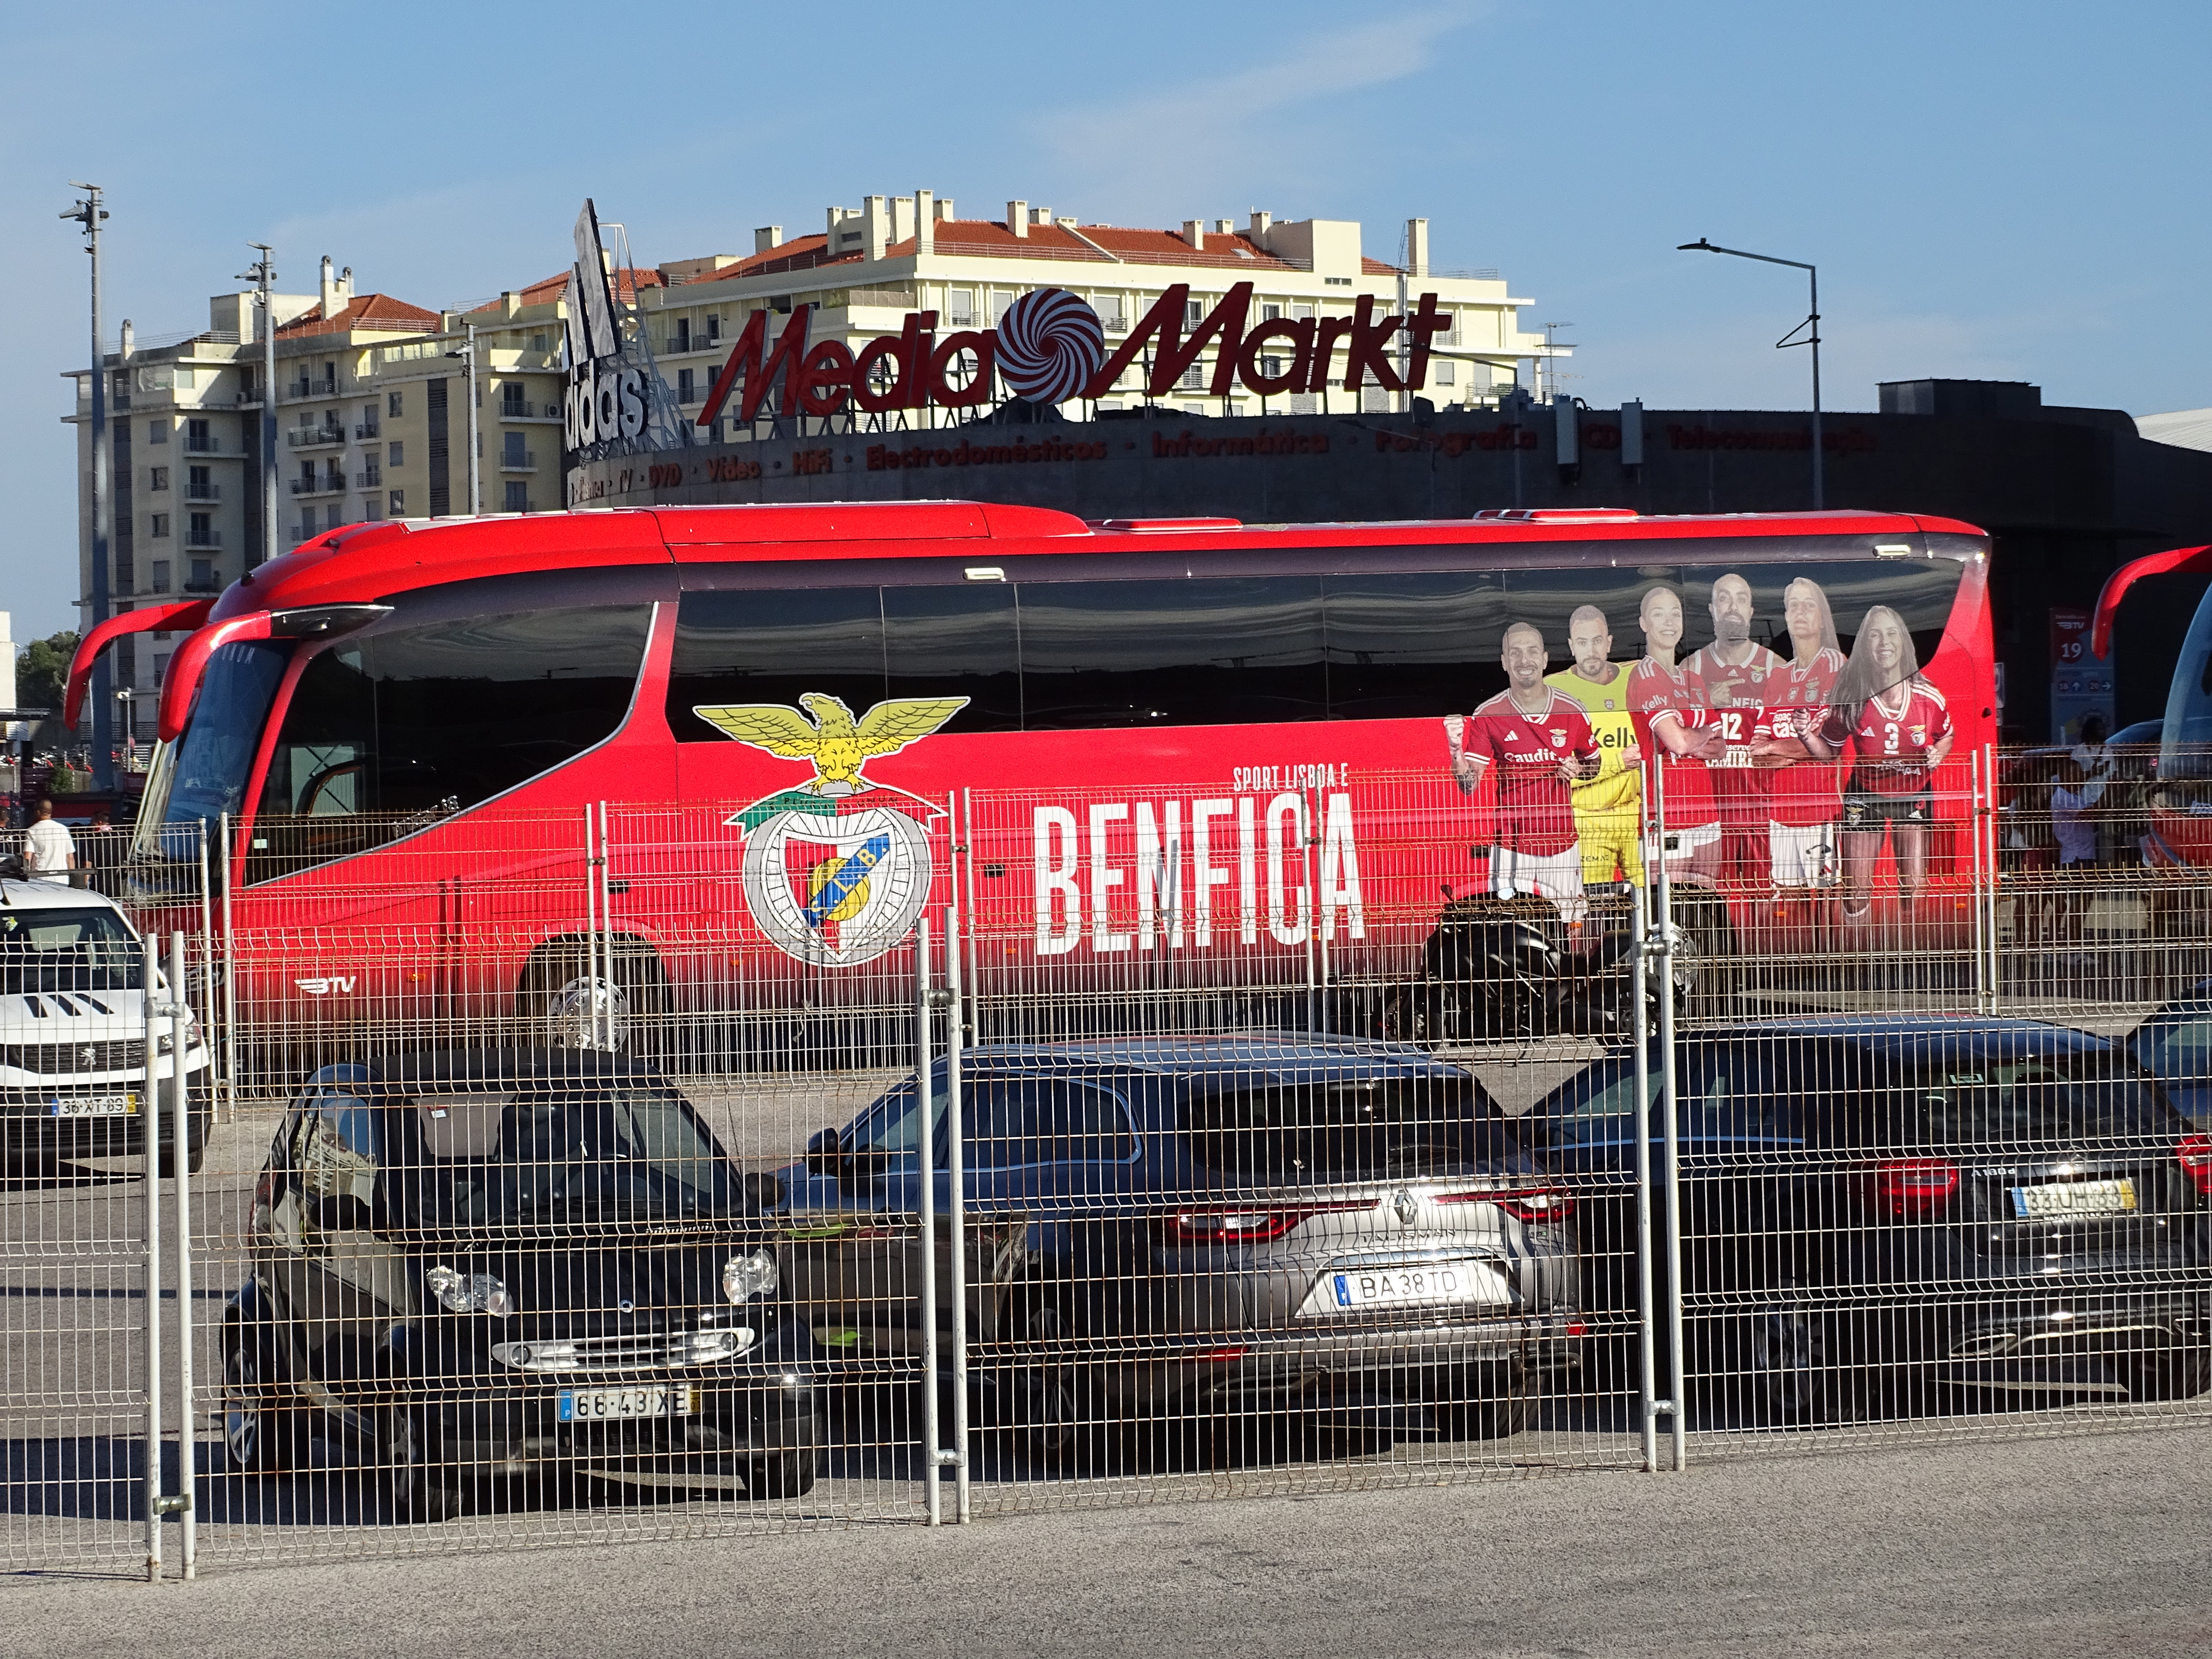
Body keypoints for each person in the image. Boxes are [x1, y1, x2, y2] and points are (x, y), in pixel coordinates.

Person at [1445, 621, 1601, 923]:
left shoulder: (1572, 710)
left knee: (1572, 924)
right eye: (1514, 654)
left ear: (1545, 659)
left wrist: (1578, 768)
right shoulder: (1489, 714)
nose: (1524, 661)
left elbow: (1594, 765)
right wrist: (1455, 751)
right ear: (1504, 663)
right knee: (1511, 929)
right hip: (1512, 849)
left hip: (1561, 844)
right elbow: (1469, 785)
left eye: (1532, 652)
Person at [1826, 604, 1955, 931]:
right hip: (1865, 791)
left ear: (1904, 642)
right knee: (1855, 891)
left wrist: (1939, 751)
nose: (1884, 642)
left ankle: (1910, 955)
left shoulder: (1928, 695)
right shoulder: (1853, 696)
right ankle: (1858, 960)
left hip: (1913, 790)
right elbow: (1829, 743)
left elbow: (1947, 735)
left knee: (1913, 884)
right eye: (1875, 635)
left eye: (1891, 633)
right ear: (1865, 646)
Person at [1751, 577, 1847, 937]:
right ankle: (1801, 960)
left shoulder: (1839, 668)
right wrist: (1793, 749)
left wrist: (1778, 747)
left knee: (1826, 895)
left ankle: (1833, 962)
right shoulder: (1779, 678)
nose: (1800, 613)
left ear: (1822, 617)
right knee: (1788, 895)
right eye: (1793, 606)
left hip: (1821, 808)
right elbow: (1755, 749)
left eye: (1809, 605)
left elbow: (1825, 744)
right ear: (1786, 617)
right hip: (1780, 810)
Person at [1680, 573, 1787, 890]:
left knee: (1763, 893)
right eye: (1724, 598)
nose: (1733, 607)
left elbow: (1792, 739)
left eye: (1741, 599)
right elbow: (1674, 733)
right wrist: (1707, 697)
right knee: (1714, 892)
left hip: (1761, 806)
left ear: (1752, 610)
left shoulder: (1775, 667)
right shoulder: (1692, 668)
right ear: (1713, 609)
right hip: (1710, 808)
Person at [1627, 584, 1723, 884]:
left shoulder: (1693, 679)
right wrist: (1702, 732)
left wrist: (1695, 737)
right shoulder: (1646, 677)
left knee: (1708, 904)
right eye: (1659, 614)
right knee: (1669, 910)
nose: (1669, 622)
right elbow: (1678, 743)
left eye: (1675, 614)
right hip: (1666, 816)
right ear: (1644, 624)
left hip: (1705, 813)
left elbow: (1720, 748)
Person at [1544, 604, 1644, 888]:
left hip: (1636, 817)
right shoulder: (1554, 693)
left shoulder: (1636, 677)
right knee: (1596, 909)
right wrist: (1618, 761)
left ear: (1610, 643)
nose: (1591, 650)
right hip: (1589, 824)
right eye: (1583, 642)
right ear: (1571, 647)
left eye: (1598, 641)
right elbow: (1558, 772)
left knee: (1651, 905)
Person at [21, 799, 76, 884]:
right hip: (62, 878)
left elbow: (27, 856)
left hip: (40, 879)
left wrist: (26, 875)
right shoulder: (63, 829)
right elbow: (70, 857)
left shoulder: (32, 831)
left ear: (38, 812)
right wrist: (72, 877)